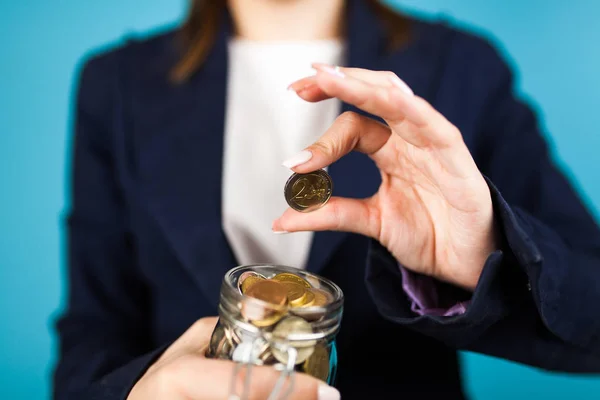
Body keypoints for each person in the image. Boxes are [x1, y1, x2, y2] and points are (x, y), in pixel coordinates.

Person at [52, 0, 600, 399]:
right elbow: (89, 341)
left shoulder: (467, 69)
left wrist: (484, 255)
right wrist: (134, 394)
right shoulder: (115, 85)